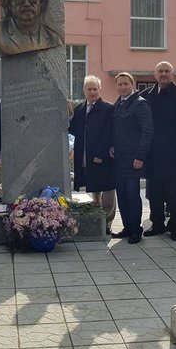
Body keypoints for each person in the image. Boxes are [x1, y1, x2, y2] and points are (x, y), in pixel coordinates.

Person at [141, 61, 176, 241]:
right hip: (153, 153)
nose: (163, 74)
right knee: (154, 191)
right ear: (155, 74)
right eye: (160, 71)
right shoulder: (145, 95)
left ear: (172, 75)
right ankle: (157, 223)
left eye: (167, 71)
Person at [69, 75, 116, 234]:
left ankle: (108, 222)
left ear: (100, 90)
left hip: (102, 157)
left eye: (95, 88)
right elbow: (72, 130)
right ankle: (98, 221)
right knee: (94, 187)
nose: (92, 92)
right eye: (89, 89)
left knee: (108, 188)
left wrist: (101, 154)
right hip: (85, 156)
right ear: (84, 90)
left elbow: (109, 134)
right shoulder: (79, 109)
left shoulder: (109, 108)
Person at [110, 73, 153, 244]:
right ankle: (127, 226)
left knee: (132, 195)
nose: (122, 87)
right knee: (122, 194)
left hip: (133, 159)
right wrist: (112, 145)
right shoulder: (118, 104)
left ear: (132, 84)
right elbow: (116, 129)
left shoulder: (140, 104)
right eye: (119, 84)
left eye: (125, 83)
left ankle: (136, 230)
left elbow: (147, 131)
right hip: (119, 158)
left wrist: (140, 156)